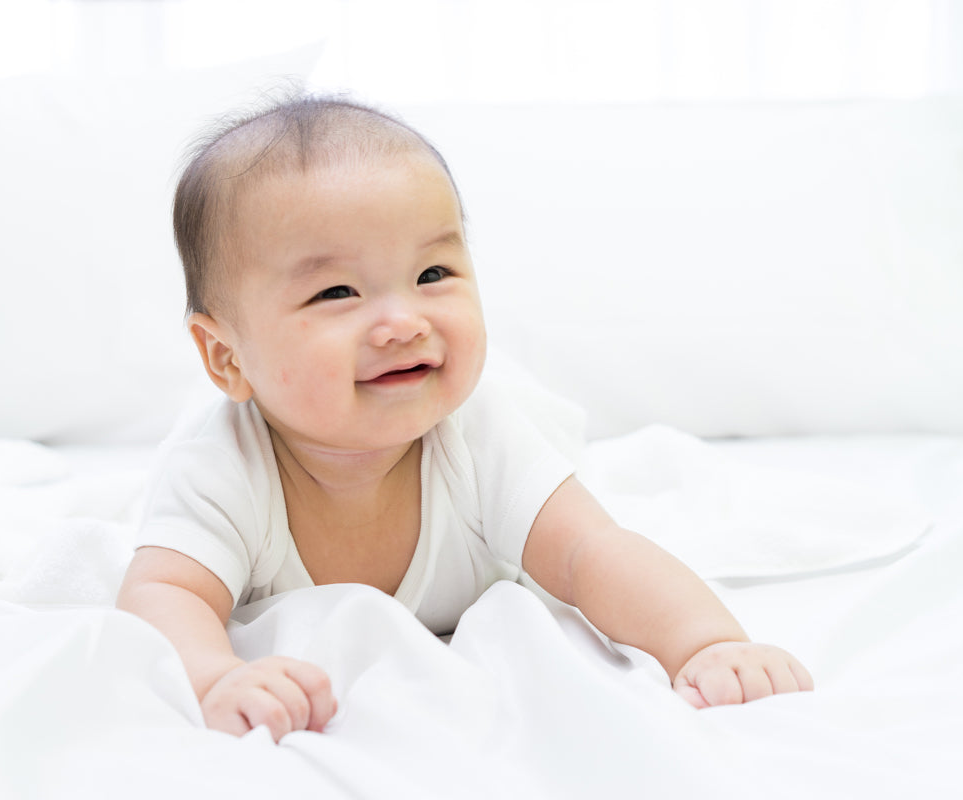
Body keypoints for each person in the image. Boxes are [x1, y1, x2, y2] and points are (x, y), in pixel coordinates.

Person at [116, 95, 813, 741]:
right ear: (226, 357)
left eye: (432, 276)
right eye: (336, 291)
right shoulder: (222, 466)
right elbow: (164, 594)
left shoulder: (479, 437)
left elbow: (590, 552)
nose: (401, 321)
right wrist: (214, 677)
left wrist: (707, 643)